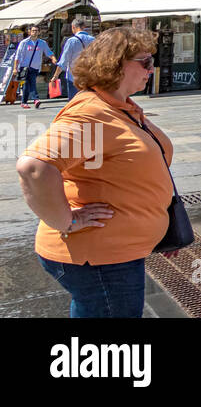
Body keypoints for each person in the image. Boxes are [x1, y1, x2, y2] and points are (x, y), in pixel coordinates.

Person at [15, 27, 174, 317]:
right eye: (146, 62)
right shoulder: (92, 112)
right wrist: (66, 221)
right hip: (101, 258)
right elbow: (34, 168)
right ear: (116, 63)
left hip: (116, 253)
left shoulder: (120, 106)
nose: (153, 68)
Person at [52, 17, 95, 97]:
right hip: (89, 76)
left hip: (74, 77)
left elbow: (63, 61)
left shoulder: (71, 41)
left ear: (73, 27)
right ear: (84, 27)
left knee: (74, 101)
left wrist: (55, 76)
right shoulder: (93, 40)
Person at [15, 24, 53, 109]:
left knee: (27, 84)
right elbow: (17, 56)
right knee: (32, 82)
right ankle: (36, 99)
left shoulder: (42, 43)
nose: (34, 32)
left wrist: (53, 58)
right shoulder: (24, 43)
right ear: (29, 32)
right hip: (25, 67)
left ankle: (24, 102)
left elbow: (48, 52)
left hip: (36, 67)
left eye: (36, 31)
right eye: (33, 31)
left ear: (39, 32)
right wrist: (15, 68)